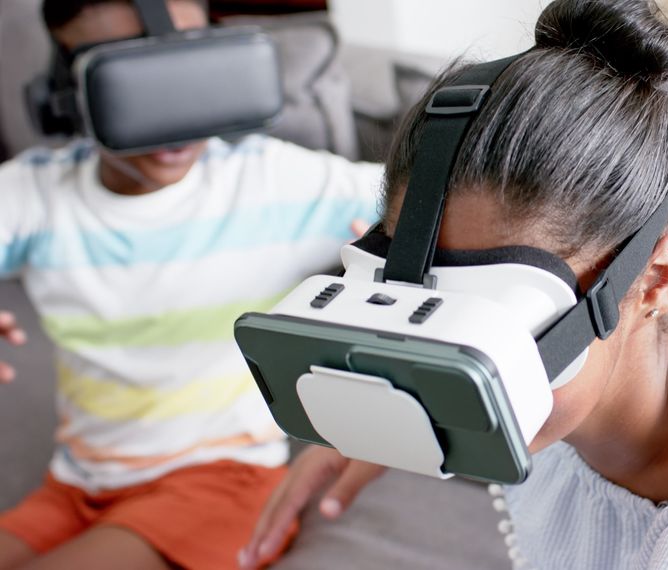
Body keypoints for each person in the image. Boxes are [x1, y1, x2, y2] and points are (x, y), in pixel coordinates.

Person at [241, 0, 668, 568]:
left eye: (488, 322)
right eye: (424, 306)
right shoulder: (629, 344)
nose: (454, 357)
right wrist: (384, 409)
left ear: (654, 281)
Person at [0, 1, 383, 568]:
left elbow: (428, 195)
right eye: (128, 72)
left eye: (188, 60)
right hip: (76, 487)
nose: (169, 104)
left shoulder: (271, 181)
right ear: (59, 94)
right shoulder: (36, 195)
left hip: (224, 481)